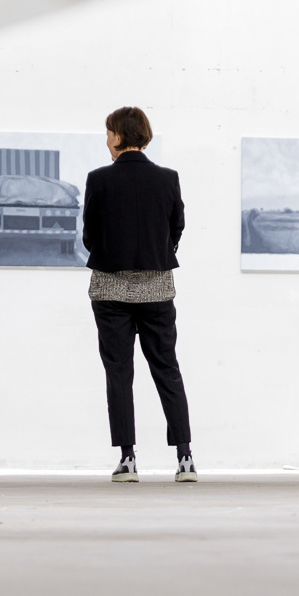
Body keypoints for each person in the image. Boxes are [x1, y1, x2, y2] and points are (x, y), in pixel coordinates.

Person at [82, 106, 196, 483]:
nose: (107, 140)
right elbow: (177, 227)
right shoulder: (167, 178)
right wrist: (157, 254)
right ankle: (185, 458)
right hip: (157, 288)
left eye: (108, 133)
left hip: (110, 288)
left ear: (118, 136)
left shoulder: (99, 179)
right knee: (167, 368)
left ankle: (128, 459)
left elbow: (89, 234)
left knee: (119, 372)